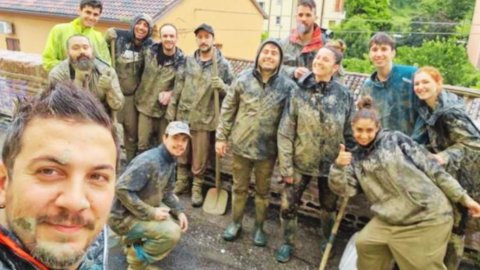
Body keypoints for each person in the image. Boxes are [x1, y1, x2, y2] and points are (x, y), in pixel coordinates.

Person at [329, 96, 480, 270]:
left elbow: (434, 170)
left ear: (378, 127)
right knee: (366, 244)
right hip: (391, 218)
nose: (364, 135)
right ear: (352, 129)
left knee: (421, 265)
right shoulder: (354, 157)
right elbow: (346, 189)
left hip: (427, 215)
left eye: (369, 130)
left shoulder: (396, 140)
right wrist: (338, 167)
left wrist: (464, 198)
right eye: (359, 130)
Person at [0, 82, 120, 269]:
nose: (76, 202)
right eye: (49, 171)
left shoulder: (93, 233)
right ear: (3, 183)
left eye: (97, 177)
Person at [275, 46, 355, 263]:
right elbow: (285, 131)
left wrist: (349, 163)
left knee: (329, 207)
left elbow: (350, 132)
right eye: (317, 57)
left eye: (325, 59)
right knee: (287, 205)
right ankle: (287, 242)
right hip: (300, 161)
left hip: (332, 164)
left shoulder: (344, 95)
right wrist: (286, 167)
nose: (319, 61)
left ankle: (327, 239)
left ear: (336, 67)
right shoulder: (297, 91)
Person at [215, 39, 296, 246]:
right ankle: (235, 223)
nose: (269, 56)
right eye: (265, 52)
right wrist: (221, 137)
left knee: (263, 192)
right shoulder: (242, 79)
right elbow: (228, 109)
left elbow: (291, 119)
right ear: (258, 55)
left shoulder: (287, 86)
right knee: (239, 187)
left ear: (280, 60)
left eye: (274, 53)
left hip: (267, 150)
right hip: (241, 145)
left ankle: (259, 227)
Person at [412, 66, 480, 270]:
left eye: (426, 82)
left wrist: (443, 156)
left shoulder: (450, 112)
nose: (420, 87)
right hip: (450, 173)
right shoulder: (428, 106)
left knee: (456, 228)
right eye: (417, 83)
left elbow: (474, 144)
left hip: (467, 175)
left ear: (438, 83)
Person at [167, 23, 234, 207]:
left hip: (205, 118)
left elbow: (234, 94)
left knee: (200, 156)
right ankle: (181, 182)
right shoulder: (188, 61)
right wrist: (172, 111)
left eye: (207, 37)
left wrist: (222, 87)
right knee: (181, 151)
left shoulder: (223, 65)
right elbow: (178, 86)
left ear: (213, 39)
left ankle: (197, 187)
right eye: (200, 37)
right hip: (184, 115)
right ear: (196, 39)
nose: (203, 40)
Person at [108, 121, 189, 270]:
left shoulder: (170, 160)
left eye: (184, 140)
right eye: (176, 138)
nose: (180, 144)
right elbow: (121, 189)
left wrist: (179, 211)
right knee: (171, 233)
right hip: (121, 218)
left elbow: (167, 192)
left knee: (171, 216)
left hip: (137, 208)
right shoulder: (149, 161)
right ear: (165, 138)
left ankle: (133, 244)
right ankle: (136, 262)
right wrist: (152, 213)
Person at [105, 14, 154, 162]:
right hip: (113, 94)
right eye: (139, 24)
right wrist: (107, 38)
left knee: (132, 134)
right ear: (133, 25)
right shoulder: (119, 37)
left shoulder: (149, 45)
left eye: (146, 26)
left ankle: (131, 162)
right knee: (109, 130)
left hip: (132, 96)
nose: (141, 28)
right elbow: (101, 49)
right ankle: (108, 161)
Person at [135, 23, 185, 154]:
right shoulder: (149, 51)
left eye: (172, 36)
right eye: (165, 36)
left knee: (164, 147)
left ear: (176, 38)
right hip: (145, 106)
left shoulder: (182, 61)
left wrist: (171, 93)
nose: (168, 39)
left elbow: (184, 85)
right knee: (142, 146)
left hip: (165, 112)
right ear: (160, 37)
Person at [360, 32, 419, 136]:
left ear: (393, 53)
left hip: (413, 145)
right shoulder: (368, 86)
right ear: (369, 54)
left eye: (384, 49)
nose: (378, 54)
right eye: (374, 49)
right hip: (382, 146)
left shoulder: (411, 76)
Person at [48, 34, 124, 115]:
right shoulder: (58, 74)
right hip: (71, 121)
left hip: (100, 119)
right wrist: (78, 82)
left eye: (85, 47)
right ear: (67, 52)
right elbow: (59, 108)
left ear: (91, 50)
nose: (82, 52)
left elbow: (118, 106)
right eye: (75, 48)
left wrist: (110, 90)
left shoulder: (106, 71)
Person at [42, 0, 111, 72]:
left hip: (92, 82)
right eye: (88, 12)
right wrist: (74, 69)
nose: (91, 17)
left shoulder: (99, 37)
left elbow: (107, 66)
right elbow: (48, 61)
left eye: (95, 14)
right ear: (79, 11)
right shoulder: (59, 30)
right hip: (63, 81)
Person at [280, 0, 329, 80]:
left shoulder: (326, 46)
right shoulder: (284, 44)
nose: (303, 19)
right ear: (296, 17)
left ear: (315, 18)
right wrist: (293, 71)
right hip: (289, 91)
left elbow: (337, 77)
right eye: (300, 15)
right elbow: (274, 69)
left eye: (308, 15)